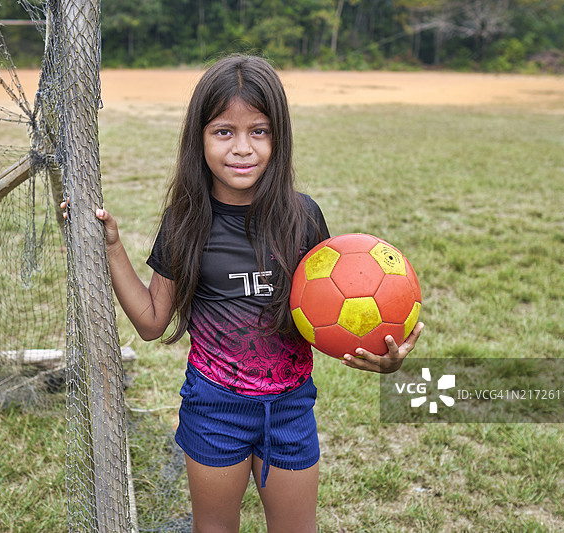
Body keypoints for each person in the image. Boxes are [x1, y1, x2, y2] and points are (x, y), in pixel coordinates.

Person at [63, 54, 424, 533]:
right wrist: (112, 248)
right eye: (223, 132)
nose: (242, 148)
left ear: (279, 137)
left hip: (290, 410)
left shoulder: (303, 219)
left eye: (259, 131)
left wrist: (384, 357)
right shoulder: (185, 222)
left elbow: (331, 318)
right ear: (199, 138)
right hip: (214, 409)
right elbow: (151, 322)